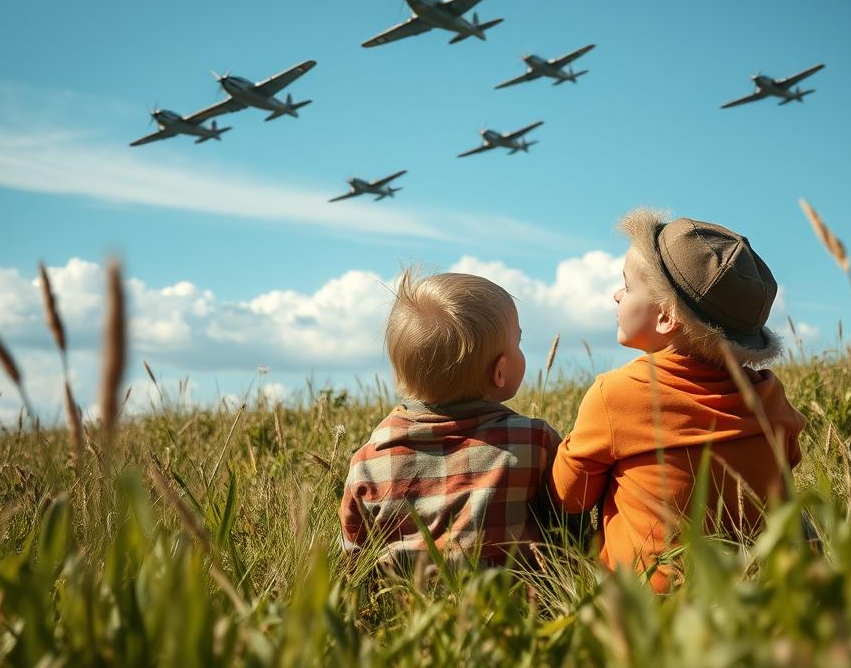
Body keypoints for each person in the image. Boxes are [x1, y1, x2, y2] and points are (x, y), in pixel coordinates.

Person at [549, 210, 807, 592]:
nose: (616, 294)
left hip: (654, 604)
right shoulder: (769, 394)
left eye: (627, 286)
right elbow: (786, 466)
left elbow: (568, 497)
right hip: (760, 591)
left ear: (667, 317)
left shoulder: (617, 394)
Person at [340, 269, 561, 567]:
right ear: (500, 372)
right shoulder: (535, 442)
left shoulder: (368, 461)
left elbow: (354, 559)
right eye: (518, 342)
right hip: (513, 603)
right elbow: (567, 527)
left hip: (406, 608)